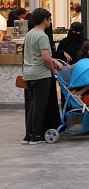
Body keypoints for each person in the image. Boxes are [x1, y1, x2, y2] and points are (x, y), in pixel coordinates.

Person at [22, 8, 62, 144]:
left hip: (29, 74)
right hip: (41, 74)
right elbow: (45, 58)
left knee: (33, 105)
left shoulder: (30, 34)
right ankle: (36, 135)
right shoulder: (42, 36)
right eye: (49, 19)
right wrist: (53, 70)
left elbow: (38, 55)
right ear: (45, 20)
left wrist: (54, 60)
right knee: (39, 106)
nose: (50, 22)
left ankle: (28, 135)